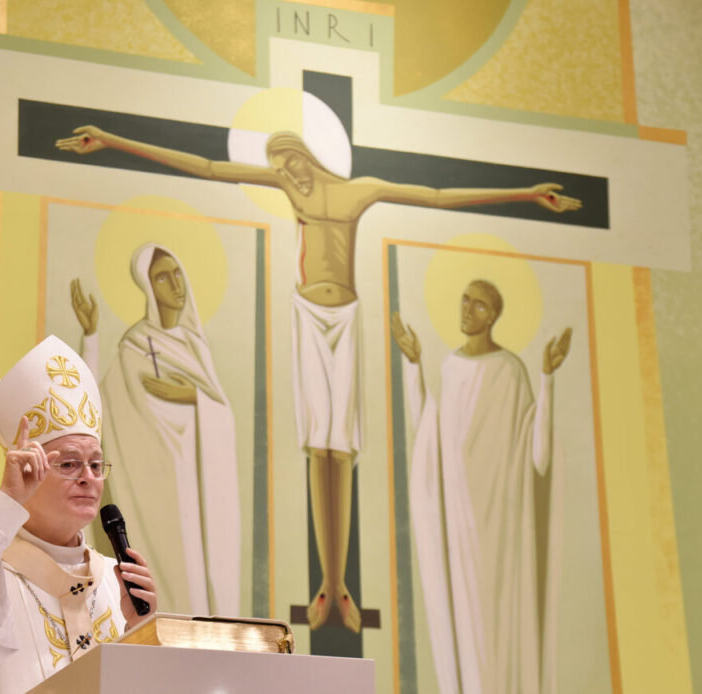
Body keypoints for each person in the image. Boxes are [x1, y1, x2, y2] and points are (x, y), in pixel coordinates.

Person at [56, 125, 582, 632]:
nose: (291, 176)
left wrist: (527, 194)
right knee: (317, 445)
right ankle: (327, 588)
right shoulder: (288, 187)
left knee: (343, 448)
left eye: (294, 164)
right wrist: (110, 142)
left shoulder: (359, 192)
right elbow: (209, 168)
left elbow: (435, 196)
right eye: (282, 169)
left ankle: (338, 582)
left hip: (346, 317)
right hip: (307, 316)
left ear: (308, 157)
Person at [0, 335, 158, 694]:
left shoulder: (118, 586)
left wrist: (141, 632)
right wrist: (7, 501)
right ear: (29, 472)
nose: (88, 477)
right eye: (69, 463)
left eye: (96, 464)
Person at [391, 280, 571, 694]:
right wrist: (414, 365)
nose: (467, 308)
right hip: (459, 524)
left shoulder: (510, 371)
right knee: (466, 628)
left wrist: (547, 377)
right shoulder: (451, 368)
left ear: (492, 316)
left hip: (503, 531)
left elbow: (536, 453)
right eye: (465, 300)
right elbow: (428, 438)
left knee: (499, 628)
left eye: (478, 305)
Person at [71, 242, 240, 617]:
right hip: (158, 495)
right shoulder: (134, 347)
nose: (175, 284)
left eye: (177, 273)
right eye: (162, 277)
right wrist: (92, 336)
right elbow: (95, 407)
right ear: (147, 286)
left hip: (201, 493)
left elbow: (223, 416)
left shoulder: (195, 345)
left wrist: (193, 395)